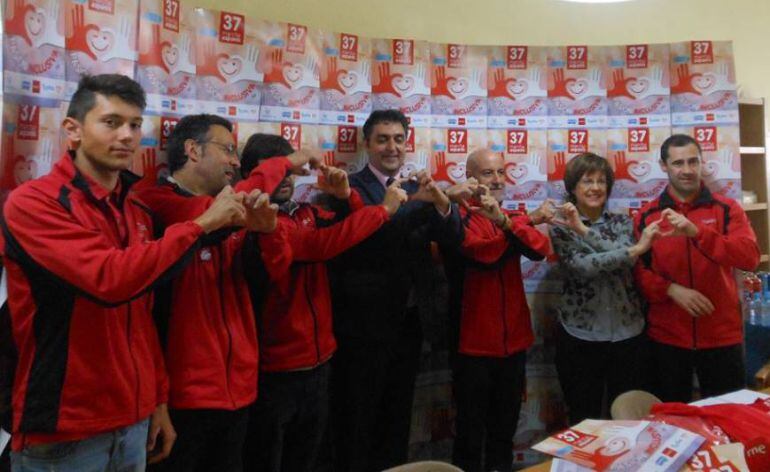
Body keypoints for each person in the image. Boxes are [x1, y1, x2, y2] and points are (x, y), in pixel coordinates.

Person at [1, 74, 243, 471]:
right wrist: (201, 225)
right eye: (111, 122)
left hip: (133, 421)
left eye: (134, 124)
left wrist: (157, 400)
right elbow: (110, 280)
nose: (127, 135)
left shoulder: (134, 209)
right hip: (66, 430)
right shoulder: (35, 202)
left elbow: (141, 317)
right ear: (73, 130)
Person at [137, 114, 315, 472]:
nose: (235, 161)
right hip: (182, 399)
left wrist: (267, 233)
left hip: (240, 391)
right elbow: (213, 214)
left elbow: (269, 275)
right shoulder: (155, 200)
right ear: (192, 150)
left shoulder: (232, 209)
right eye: (228, 150)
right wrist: (285, 162)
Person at [239, 134, 408, 472]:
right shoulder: (254, 222)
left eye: (289, 171)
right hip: (276, 370)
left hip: (320, 362)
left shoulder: (307, 212)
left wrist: (346, 196)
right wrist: (385, 209)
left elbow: (356, 235)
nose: (285, 179)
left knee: (311, 458)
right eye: (276, 171)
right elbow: (324, 245)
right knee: (267, 459)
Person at [330, 109, 463, 471]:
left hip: (409, 323)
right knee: (358, 422)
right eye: (383, 139)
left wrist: (442, 202)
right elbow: (372, 239)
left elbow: (454, 241)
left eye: (399, 139)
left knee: (398, 419)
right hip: (362, 329)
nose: (392, 147)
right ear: (367, 144)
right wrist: (421, 203)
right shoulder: (348, 189)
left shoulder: (415, 188)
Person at [442, 148, 552, 472]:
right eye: (489, 173)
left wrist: (510, 222)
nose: (498, 179)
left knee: (504, 433)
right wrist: (522, 222)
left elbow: (540, 249)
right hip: (473, 346)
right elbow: (484, 255)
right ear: (471, 178)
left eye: (501, 172)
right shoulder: (457, 218)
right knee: (470, 436)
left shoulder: (511, 218)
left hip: (514, 343)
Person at [635, 134, 760, 402]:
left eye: (693, 161)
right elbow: (637, 273)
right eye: (678, 163)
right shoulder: (647, 215)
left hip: (721, 338)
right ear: (664, 166)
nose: (687, 170)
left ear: (702, 163)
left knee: (727, 425)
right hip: (666, 340)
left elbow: (749, 257)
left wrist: (697, 232)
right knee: (671, 424)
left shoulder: (727, 209)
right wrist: (670, 290)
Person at [548, 152, 659, 424]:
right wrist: (633, 250)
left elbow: (625, 260)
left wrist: (584, 232)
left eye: (601, 181)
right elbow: (583, 267)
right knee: (583, 418)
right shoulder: (560, 225)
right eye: (587, 181)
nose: (596, 188)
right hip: (581, 336)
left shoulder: (621, 222)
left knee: (628, 418)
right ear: (573, 187)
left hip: (628, 334)